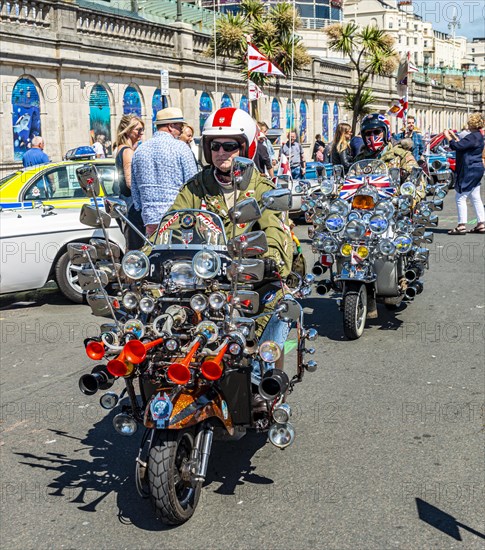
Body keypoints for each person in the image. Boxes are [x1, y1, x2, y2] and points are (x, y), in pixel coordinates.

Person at [168, 107, 293, 389]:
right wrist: (150, 260)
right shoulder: (196, 187)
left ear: (245, 146)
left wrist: (270, 259)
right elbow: (172, 222)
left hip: (250, 279)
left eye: (229, 145)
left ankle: (266, 381)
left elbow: (274, 230)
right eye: (215, 145)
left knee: (282, 305)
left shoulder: (261, 188)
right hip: (203, 282)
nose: (221, 152)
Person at [131, 107, 197, 236]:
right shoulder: (181, 148)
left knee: (155, 253)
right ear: (171, 126)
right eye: (180, 126)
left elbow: (135, 187)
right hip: (178, 218)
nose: (181, 130)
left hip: (150, 219)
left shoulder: (140, 150)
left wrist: (143, 207)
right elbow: (193, 183)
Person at [445, 113, 485, 234]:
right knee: (475, 197)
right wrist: (454, 136)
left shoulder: (472, 137)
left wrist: (448, 137)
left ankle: (461, 225)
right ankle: (481, 223)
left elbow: (457, 146)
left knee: (460, 196)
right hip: (477, 168)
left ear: (472, 124)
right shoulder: (478, 137)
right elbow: (463, 145)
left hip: (469, 169)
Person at [113, 114, 145, 249]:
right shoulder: (127, 152)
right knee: (136, 248)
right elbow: (130, 182)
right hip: (132, 205)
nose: (141, 133)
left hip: (125, 202)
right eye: (138, 130)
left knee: (131, 247)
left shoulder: (120, 148)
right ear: (128, 130)